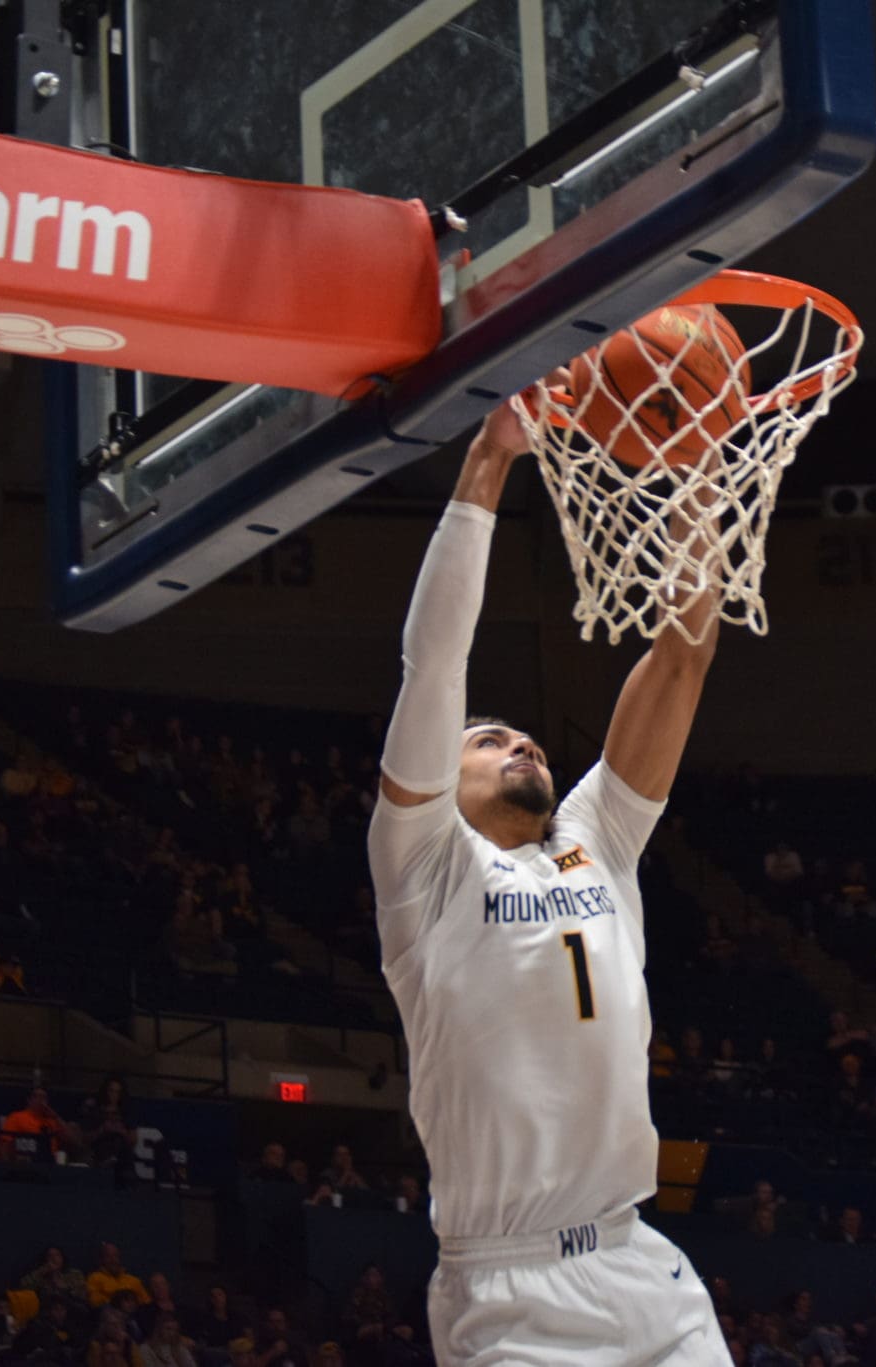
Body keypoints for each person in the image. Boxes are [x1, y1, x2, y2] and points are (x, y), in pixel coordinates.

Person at [367, 398, 728, 1364]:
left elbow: (684, 656)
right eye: (489, 740)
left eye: (526, 737)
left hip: (637, 1258)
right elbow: (433, 665)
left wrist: (695, 474)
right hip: (508, 1285)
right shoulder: (426, 865)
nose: (520, 743)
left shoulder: (595, 836)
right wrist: (489, 460)